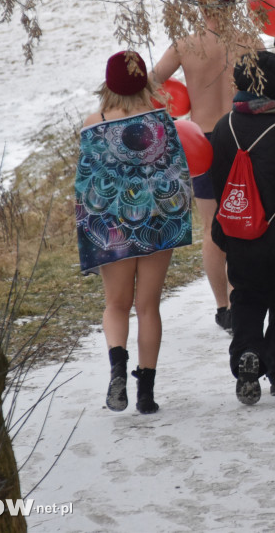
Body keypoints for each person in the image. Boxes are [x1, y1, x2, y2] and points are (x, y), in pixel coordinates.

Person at [76, 50, 194, 415]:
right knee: (147, 307)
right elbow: (178, 175)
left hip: (111, 226)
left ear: (107, 84)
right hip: (157, 222)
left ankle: (117, 369)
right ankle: (146, 392)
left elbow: (87, 184)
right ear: (145, 81)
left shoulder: (92, 124)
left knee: (115, 304)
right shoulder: (162, 120)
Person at [209, 51, 275, 404]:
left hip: (240, 236)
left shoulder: (223, 128)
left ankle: (246, 356)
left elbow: (215, 183)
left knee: (247, 300)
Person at [150, 0, 248, 333]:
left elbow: (149, 81)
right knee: (244, 219)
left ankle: (223, 307)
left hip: (202, 141)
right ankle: (241, 297)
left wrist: (169, 111)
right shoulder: (248, 41)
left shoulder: (184, 45)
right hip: (240, 136)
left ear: (199, 3)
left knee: (212, 227)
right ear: (232, 2)